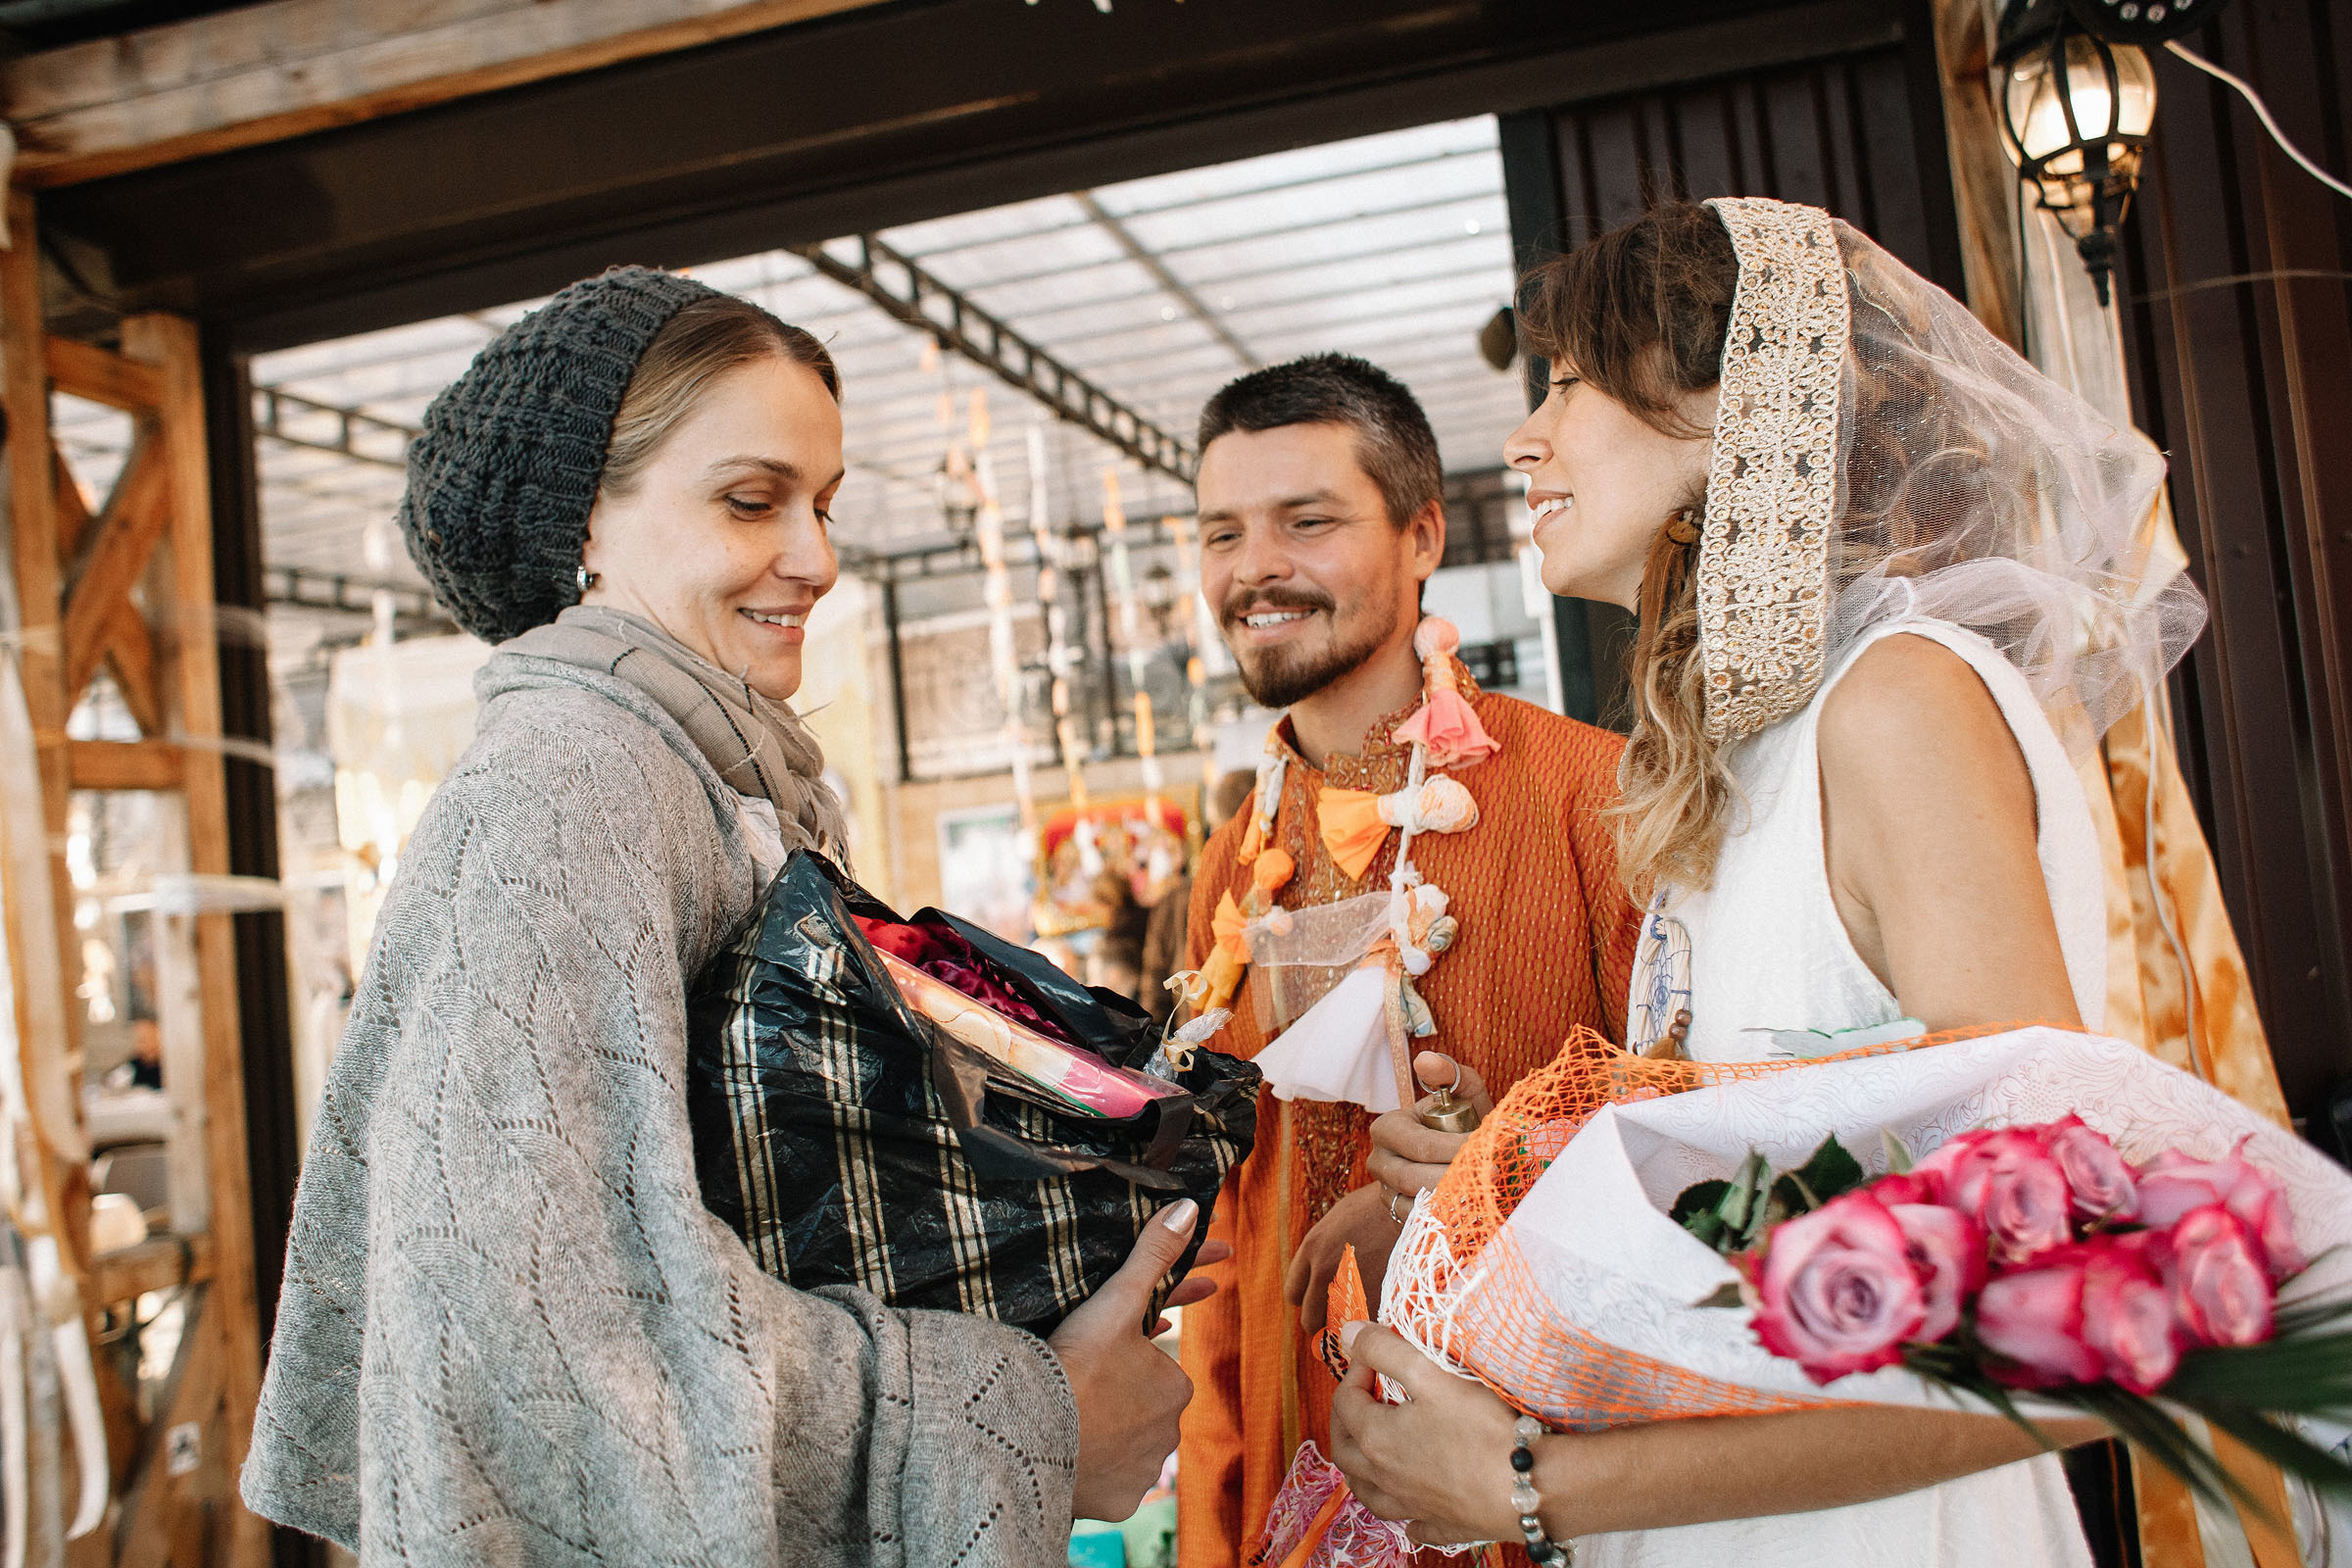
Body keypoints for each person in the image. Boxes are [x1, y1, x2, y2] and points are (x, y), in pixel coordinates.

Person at [240, 269, 1221, 1565]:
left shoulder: (726, 779)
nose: (815, 557)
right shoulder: (573, 782)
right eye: (751, 499)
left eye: (823, 504)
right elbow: (544, 1340)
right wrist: (1028, 1410)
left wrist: (1046, 1250)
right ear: (578, 518)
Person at [1331, 198, 2205, 1566]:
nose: (1524, 435)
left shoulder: (1896, 710)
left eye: (1570, 383)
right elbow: (1810, 1183)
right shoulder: (1746, 756)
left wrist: (1524, 1488)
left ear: (1737, 411)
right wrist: (1539, 1160)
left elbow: (2076, 1317)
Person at [1173, 354, 1639, 1567]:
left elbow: (1713, 1132)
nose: (1253, 567)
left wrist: (1471, 1180)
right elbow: (1225, 1248)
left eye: (1307, 521)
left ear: (1422, 533)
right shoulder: (1232, 865)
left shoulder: (1591, 795)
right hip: (1297, 1473)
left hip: (1554, 1482)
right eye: (1222, 532)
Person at [1141, 769, 1255, 1024]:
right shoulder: (1279, 880)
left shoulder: (1177, 900)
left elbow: (1154, 994)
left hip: (1198, 1045)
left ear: (1215, 828)